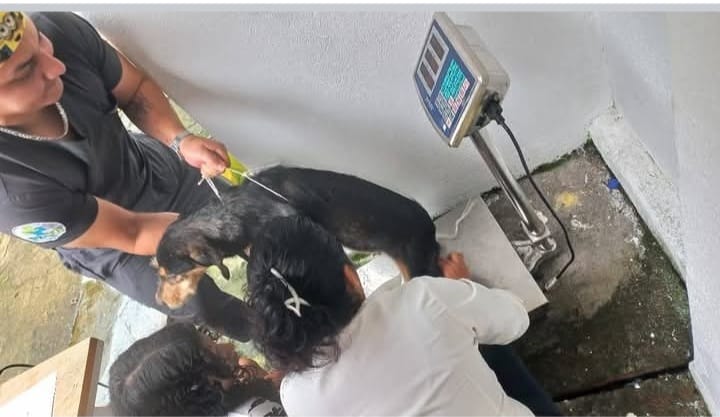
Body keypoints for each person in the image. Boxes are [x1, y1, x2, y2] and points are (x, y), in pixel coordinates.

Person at [0, 11, 253, 341]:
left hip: (150, 169)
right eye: (25, 70)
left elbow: (134, 90)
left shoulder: (60, 31)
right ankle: (268, 332)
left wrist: (180, 140)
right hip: (113, 240)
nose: (56, 65)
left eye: (40, 40)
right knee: (200, 303)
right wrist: (212, 232)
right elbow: (132, 232)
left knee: (248, 220)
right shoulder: (10, 195)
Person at [246, 215, 560, 416]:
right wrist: (464, 288)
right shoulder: (425, 300)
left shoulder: (297, 398)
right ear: (350, 276)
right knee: (486, 340)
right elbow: (516, 320)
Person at [108, 322, 286, 416]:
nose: (230, 347)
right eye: (217, 354)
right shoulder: (258, 412)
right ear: (200, 391)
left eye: (213, 340)